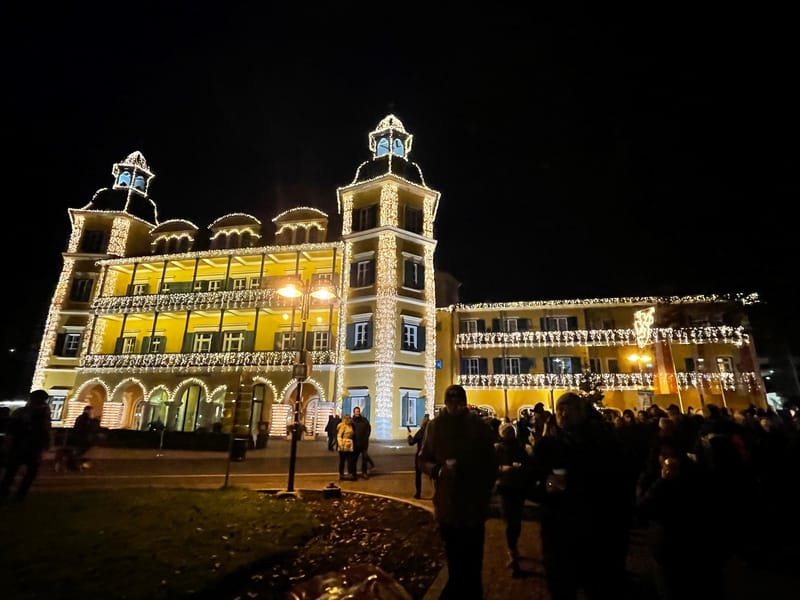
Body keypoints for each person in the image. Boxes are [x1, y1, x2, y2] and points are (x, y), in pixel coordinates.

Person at [528, 391, 634, 600]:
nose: (564, 414)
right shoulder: (547, 446)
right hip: (559, 533)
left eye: (569, 409)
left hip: (597, 531)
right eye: (560, 410)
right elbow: (530, 482)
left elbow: (621, 483)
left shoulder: (603, 443)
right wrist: (545, 487)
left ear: (581, 412)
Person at [418, 384, 498, 599]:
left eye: (458, 398)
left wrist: (485, 488)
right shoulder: (435, 427)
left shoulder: (478, 426)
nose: (454, 402)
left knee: (472, 562)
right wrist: (437, 469)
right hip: (448, 504)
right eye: (450, 398)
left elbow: (491, 461)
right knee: (455, 560)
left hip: (473, 504)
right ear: (445, 401)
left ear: (464, 400)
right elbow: (423, 459)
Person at [0, 389, 52, 501]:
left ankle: (14, 494)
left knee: (18, 472)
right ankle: (14, 494)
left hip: (29, 446)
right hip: (24, 445)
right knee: (15, 471)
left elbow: (45, 430)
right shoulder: (27, 413)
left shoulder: (38, 413)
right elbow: (45, 430)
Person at [493, 421, 530, 575]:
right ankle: (512, 551)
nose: (509, 434)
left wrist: (522, 468)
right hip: (505, 488)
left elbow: (528, 465)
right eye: (506, 432)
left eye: (511, 431)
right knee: (510, 521)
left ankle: (513, 547)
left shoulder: (520, 447)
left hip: (517, 487)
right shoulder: (497, 449)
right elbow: (491, 467)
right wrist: (503, 469)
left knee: (516, 521)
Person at [407, 413, 430, 499]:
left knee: (418, 475)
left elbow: (411, 442)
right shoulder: (432, 431)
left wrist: (409, 436)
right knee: (432, 475)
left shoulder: (421, 431)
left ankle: (418, 493)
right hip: (430, 455)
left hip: (421, 455)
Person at [351, 406, 373, 478]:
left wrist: (366, 437)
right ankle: (354, 473)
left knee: (364, 459)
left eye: (358, 411)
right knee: (354, 459)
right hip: (355, 443)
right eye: (356, 411)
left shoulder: (364, 420)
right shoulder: (351, 421)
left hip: (364, 443)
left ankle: (364, 472)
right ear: (354, 412)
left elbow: (368, 429)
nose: (357, 412)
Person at [336, 415, 356, 481]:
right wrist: (340, 445)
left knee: (350, 461)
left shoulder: (351, 426)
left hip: (350, 445)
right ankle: (341, 474)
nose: (348, 420)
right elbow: (339, 436)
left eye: (349, 419)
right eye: (347, 419)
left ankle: (350, 474)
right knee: (342, 461)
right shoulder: (343, 426)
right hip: (343, 445)